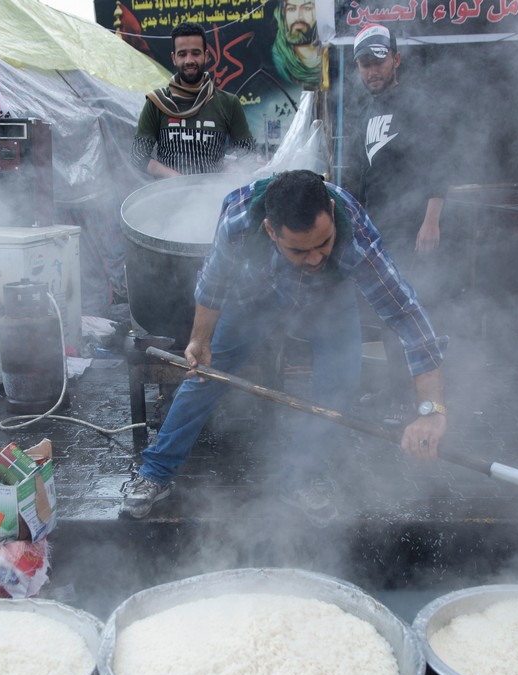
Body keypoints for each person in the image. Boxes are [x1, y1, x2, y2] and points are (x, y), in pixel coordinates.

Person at [120, 169, 448, 527]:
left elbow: (406, 315)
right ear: (271, 231)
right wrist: (200, 340)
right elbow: (214, 282)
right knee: (205, 376)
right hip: (255, 293)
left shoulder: (355, 239)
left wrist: (431, 409)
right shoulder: (239, 220)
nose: (315, 258)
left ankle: (302, 478)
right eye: (300, 249)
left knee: (339, 382)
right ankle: (156, 472)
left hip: (328, 299)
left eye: (324, 243)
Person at [345, 24, 450, 414]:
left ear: (396, 59)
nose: (372, 70)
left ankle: (422, 398)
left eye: (378, 61)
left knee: (412, 312)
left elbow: (442, 162)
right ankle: (395, 394)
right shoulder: (365, 112)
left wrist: (431, 220)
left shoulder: (417, 103)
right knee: (387, 316)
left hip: (413, 229)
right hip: (378, 230)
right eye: (364, 64)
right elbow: (361, 176)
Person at [132, 22, 255, 178]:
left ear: (206, 55)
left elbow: (248, 155)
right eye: (182, 54)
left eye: (195, 53)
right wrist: (174, 177)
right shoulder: (156, 102)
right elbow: (138, 155)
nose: (189, 60)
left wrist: (233, 170)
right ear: (174, 58)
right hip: (168, 196)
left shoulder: (228, 103)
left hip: (212, 197)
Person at [271, 0, 321, 88]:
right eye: (291, 9)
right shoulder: (278, 59)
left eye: (307, 8)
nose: (298, 17)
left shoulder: (331, 54)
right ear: (283, 14)